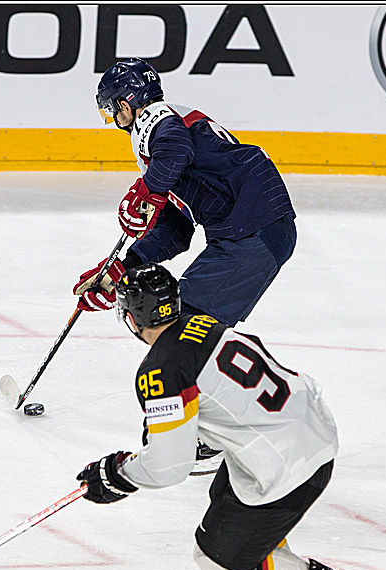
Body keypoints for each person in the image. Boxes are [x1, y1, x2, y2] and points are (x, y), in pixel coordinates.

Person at [74, 263, 384, 570]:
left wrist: (118, 474)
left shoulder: (162, 370)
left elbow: (169, 466)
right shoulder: (201, 321)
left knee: (216, 560)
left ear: (133, 318)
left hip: (289, 467)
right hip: (305, 430)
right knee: (225, 500)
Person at [73, 56, 299, 472]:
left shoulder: (159, 122)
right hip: (250, 232)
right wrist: (120, 270)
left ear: (127, 102)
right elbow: (176, 231)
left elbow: (174, 147)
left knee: (183, 324)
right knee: (188, 322)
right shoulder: (162, 144)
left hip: (254, 232)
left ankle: (209, 436)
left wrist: (147, 189)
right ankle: (213, 425)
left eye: (112, 111)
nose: (114, 121)